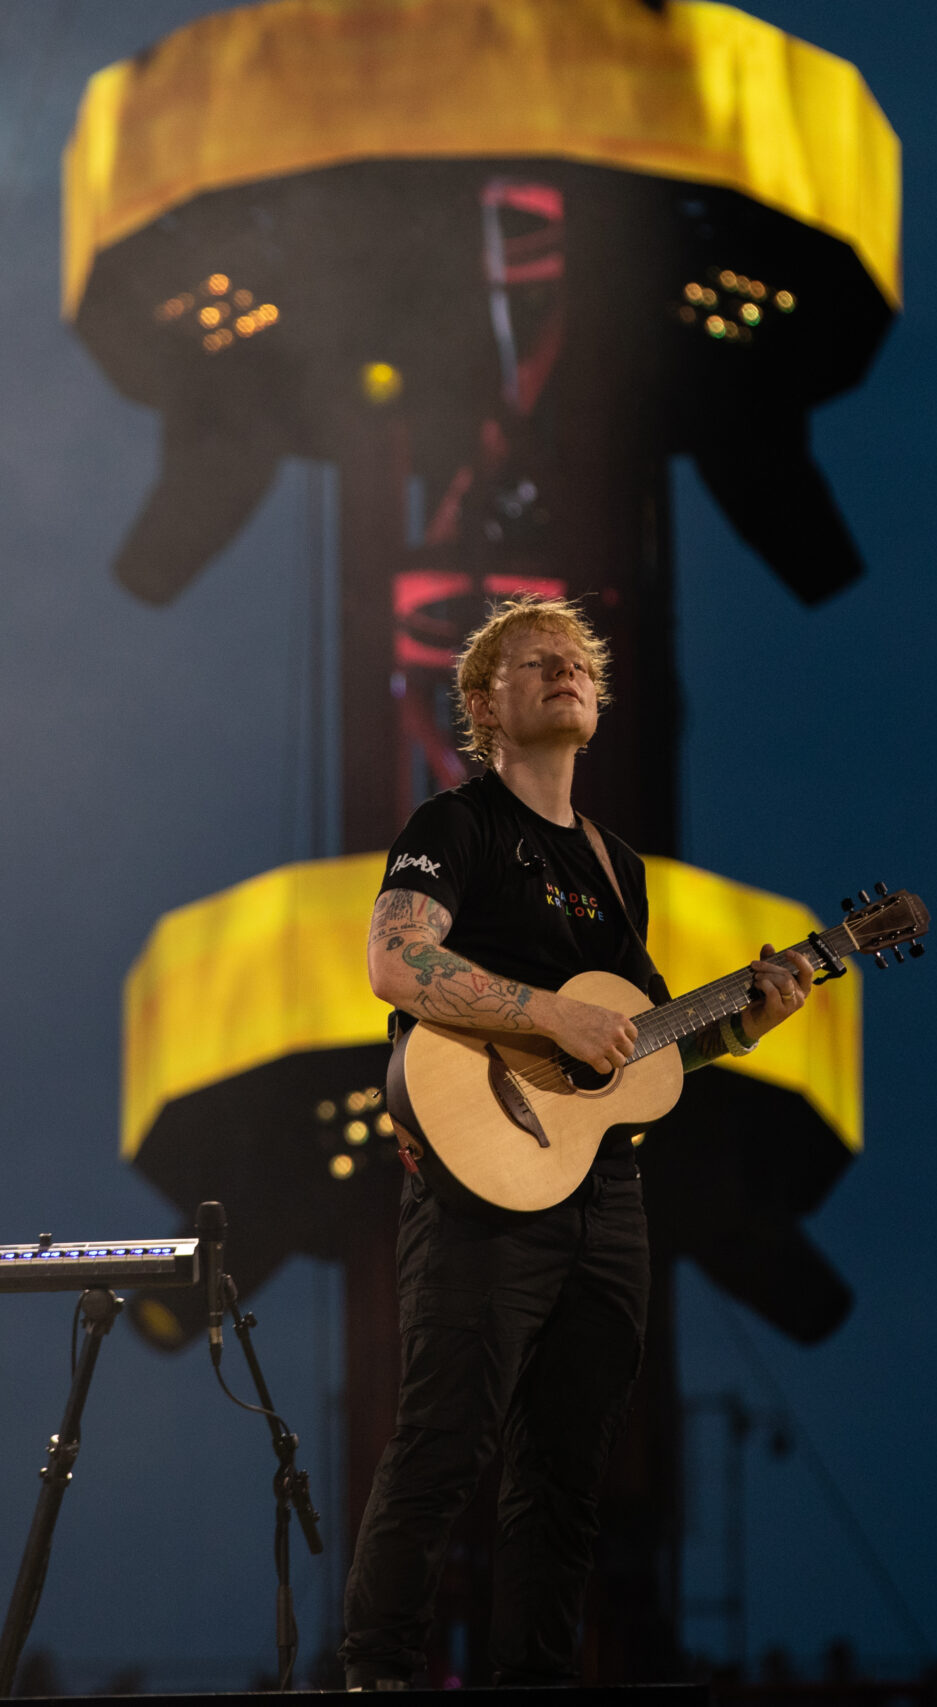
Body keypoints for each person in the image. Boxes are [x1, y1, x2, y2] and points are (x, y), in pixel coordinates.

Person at [339, 595, 817, 1688]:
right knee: (443, 1444)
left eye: (579, 662)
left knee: (566, 1476)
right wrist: (551, 1013)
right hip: (477, 1189)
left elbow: (636, 1053)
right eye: (536, 659)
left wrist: (743, 1023)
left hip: (603, 1196)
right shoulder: (454, 827)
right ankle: (376, 1676)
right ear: (482, 704)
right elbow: (397, 964)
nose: (566, 670)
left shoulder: (616, 865)